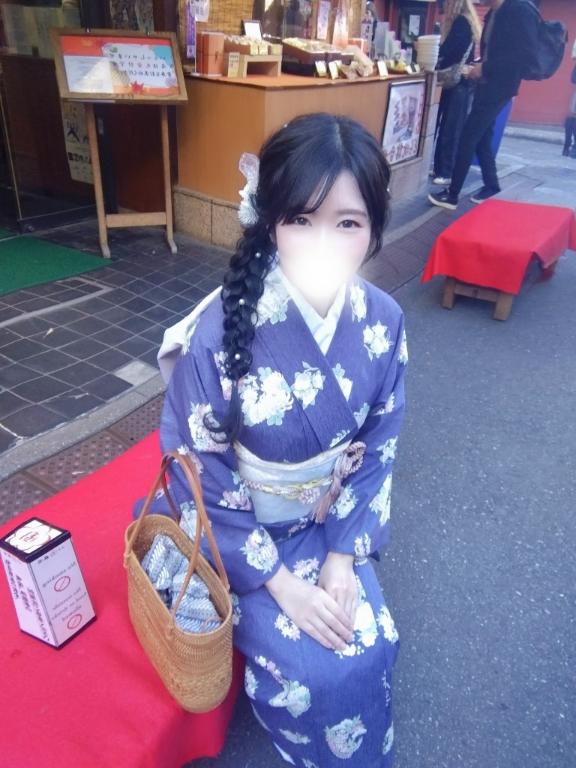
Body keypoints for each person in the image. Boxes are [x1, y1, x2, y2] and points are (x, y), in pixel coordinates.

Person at [137, 114, 407, 766]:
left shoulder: (384, 321)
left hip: (327, 523)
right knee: (315, 673)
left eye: (348, 223)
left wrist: (342, 556)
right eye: (301, 219)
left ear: (374, 228)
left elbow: (379, 443)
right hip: (244, 538)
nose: (323, 244)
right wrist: (281, 584)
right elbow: (200, 467)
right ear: (270, 221)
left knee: (372, 641)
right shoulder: (221, 332)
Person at [429, 0, 540, 210]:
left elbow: (524, 56)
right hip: (485, 84)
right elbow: (496, 52)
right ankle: (492, 186)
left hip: (499, 87)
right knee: (482, 138)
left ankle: (452, 195)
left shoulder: (519, 10)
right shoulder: (493, 13)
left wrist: (485, 68)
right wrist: (480, 66)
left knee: (468, 136)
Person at [432, 0, 482, 186]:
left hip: (457, 82)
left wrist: (432, 52)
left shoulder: (461, 22)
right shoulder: (467, 21)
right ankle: (440, 168)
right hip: (460, 83)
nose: (444, 7)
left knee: (449, 129)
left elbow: (449, 50)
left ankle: (446, 171)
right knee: (449, 127)